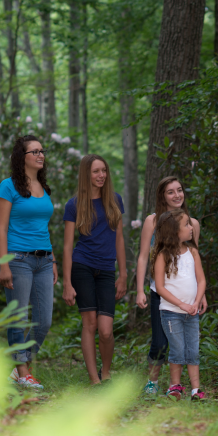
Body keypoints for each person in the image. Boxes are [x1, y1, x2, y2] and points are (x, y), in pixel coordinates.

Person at [0, 135, 57, 390]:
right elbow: (1, 229)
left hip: (44, 260)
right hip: (18, 259)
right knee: (19, 318)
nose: (40, 155)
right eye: (35, 151)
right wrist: (4, 265)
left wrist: (52, 259)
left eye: (42, 151)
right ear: (22, 158)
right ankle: (22, 372)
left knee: (44, 321)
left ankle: (22, 366)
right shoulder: (8, 187)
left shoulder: (43, 188)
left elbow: (43, 227)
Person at [135, 176, 206, 395]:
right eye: (170, 192)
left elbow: (194, 263)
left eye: (179, 190)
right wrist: (140, 290)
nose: (177, 195)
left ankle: (182, 385)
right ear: (162, 196)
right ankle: (152, 381)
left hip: (187, 298)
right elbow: (143, 256)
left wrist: (200, 296)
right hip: (161, 292)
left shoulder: (191, 224)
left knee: (186, 342)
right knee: (160, 342)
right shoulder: (152, 221)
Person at [62, 154, 127, 385]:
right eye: (96, 171)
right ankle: (94, 380)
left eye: (104, 171)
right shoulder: (74, 204)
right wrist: (67, 283)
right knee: (89, 323)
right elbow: (68, 245)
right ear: (86, 175)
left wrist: (123, 274)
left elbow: (119, 238)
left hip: (107, 269)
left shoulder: (115, 201)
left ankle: (106, 372)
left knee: (106, 330)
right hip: (83, 266)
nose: (101, 175)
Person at [152, 209, 207, 401]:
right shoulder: (162, 256)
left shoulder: (193, 252)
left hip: (192, 312)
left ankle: (196, 389)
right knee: (177, 349)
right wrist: (182, 305)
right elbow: (159, 287)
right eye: (186, 225)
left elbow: (201, 280)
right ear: (174, 231)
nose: (191, 228)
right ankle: (174, 386)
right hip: (171, 312)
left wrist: (197, 301)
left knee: (192, 349)